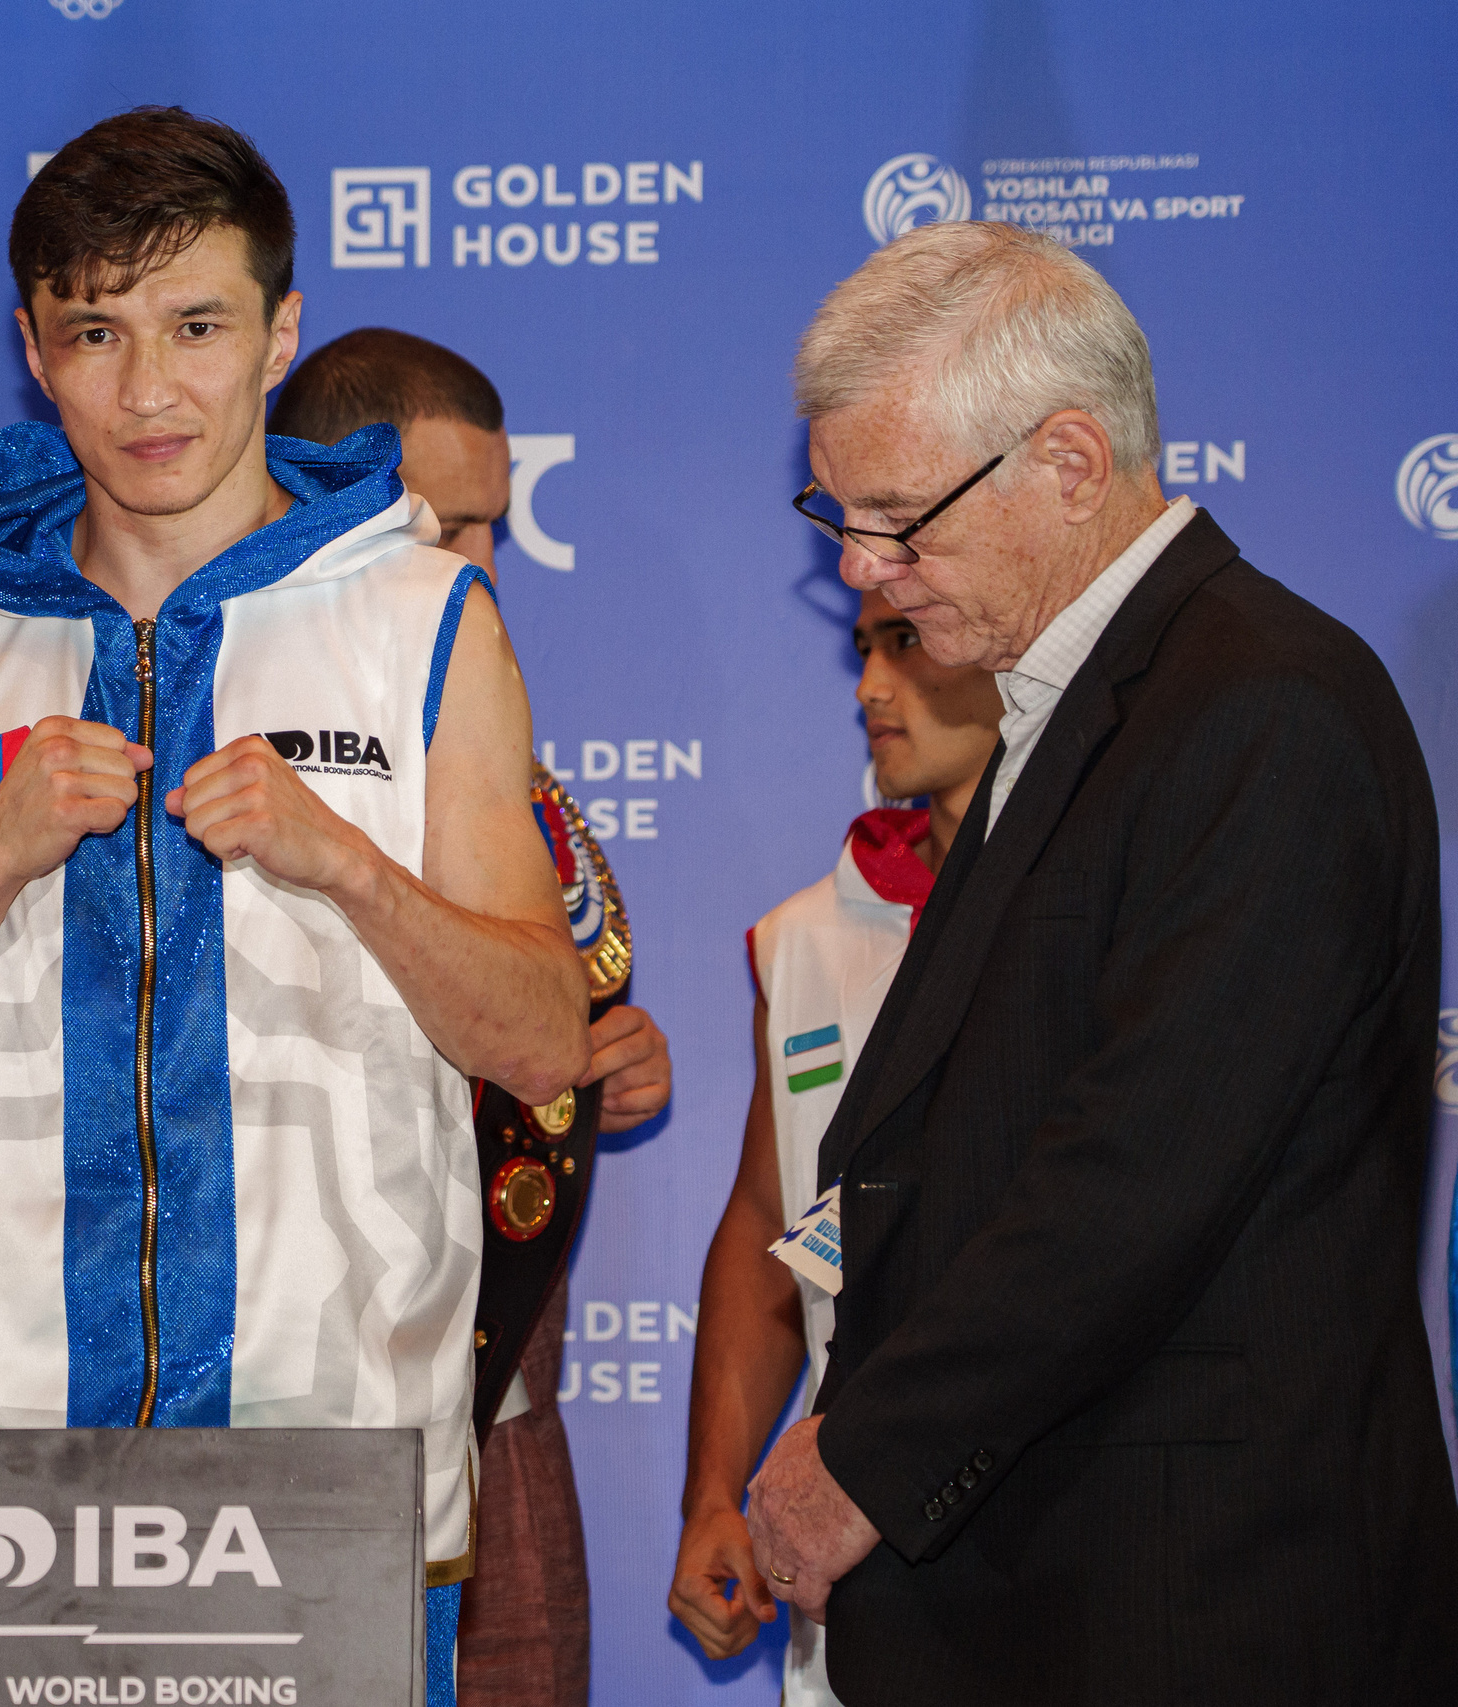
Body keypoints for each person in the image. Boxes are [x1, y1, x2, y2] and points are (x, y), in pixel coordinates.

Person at [0, 109, 591, 1706]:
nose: (148, 390)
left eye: (198, 327)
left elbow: (545, 1033)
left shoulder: (425, 619)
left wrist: (345, 862)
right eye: (96, 332)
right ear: (33, 348)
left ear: (281, 333)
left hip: (329, 1486)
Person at [742, 221, 1458, 1703]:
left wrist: (865, 1450)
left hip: (1197, 1595)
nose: (868, 571)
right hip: (1070, 1584)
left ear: (1070, 462)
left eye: (899, 519)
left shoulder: (1265, 708)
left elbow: (1138, 1170)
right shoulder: (1077, 711)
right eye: (841, 517)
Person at [269, 327, 674, 1707]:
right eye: (445, 528)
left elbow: (557, 1034)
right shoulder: (216, 761)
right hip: (297, 1446)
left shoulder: (512, 776)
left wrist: (602, 1059)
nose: (486, 568)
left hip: (505, 1423)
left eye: (495, 527)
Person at [666, 588, 1000, 1704]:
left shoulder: (1114, 915)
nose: (866, 688)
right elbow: (768, 1224)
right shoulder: (805, 934)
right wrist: (714, 1491)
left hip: (1055, 1529)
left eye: (903, 642)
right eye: (862, 648)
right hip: (842, 1548)